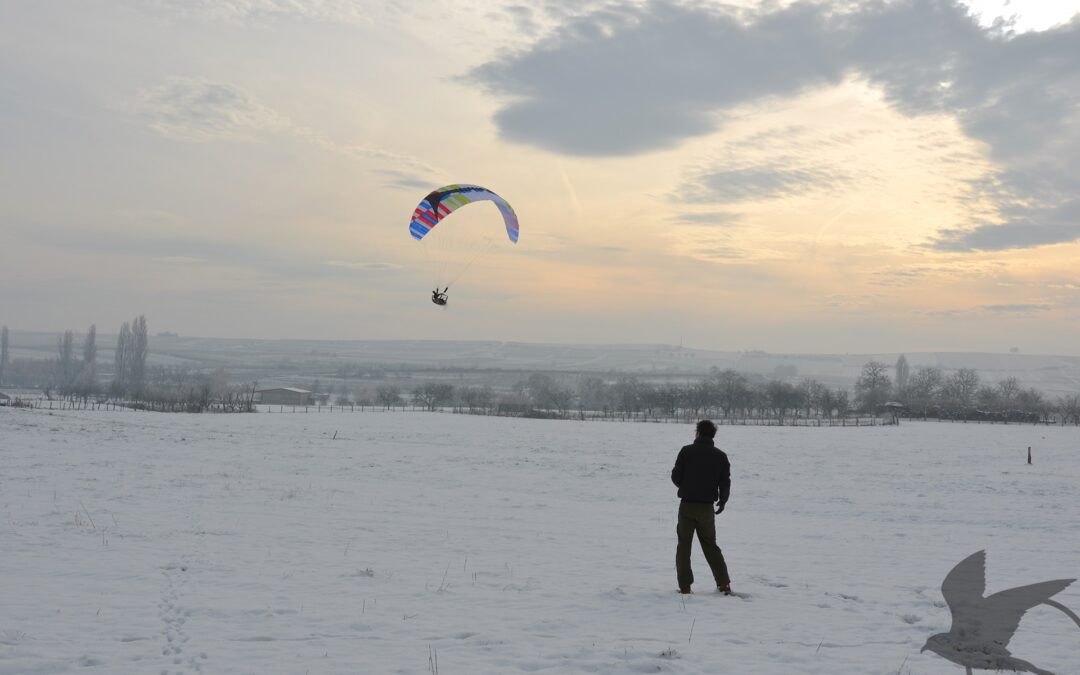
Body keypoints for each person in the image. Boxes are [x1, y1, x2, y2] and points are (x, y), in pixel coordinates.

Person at [671, 419, 731, 595]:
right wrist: (723, 500)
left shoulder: (686, 451)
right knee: (710, 545)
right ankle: (724, 584)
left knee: (684, 546)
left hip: (687, 506)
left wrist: (686, 485)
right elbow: (725, 483)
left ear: (697, 433)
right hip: (706, 509)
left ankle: (685, 587)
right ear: (712, 435)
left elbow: (675, 477)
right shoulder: (721, 456)